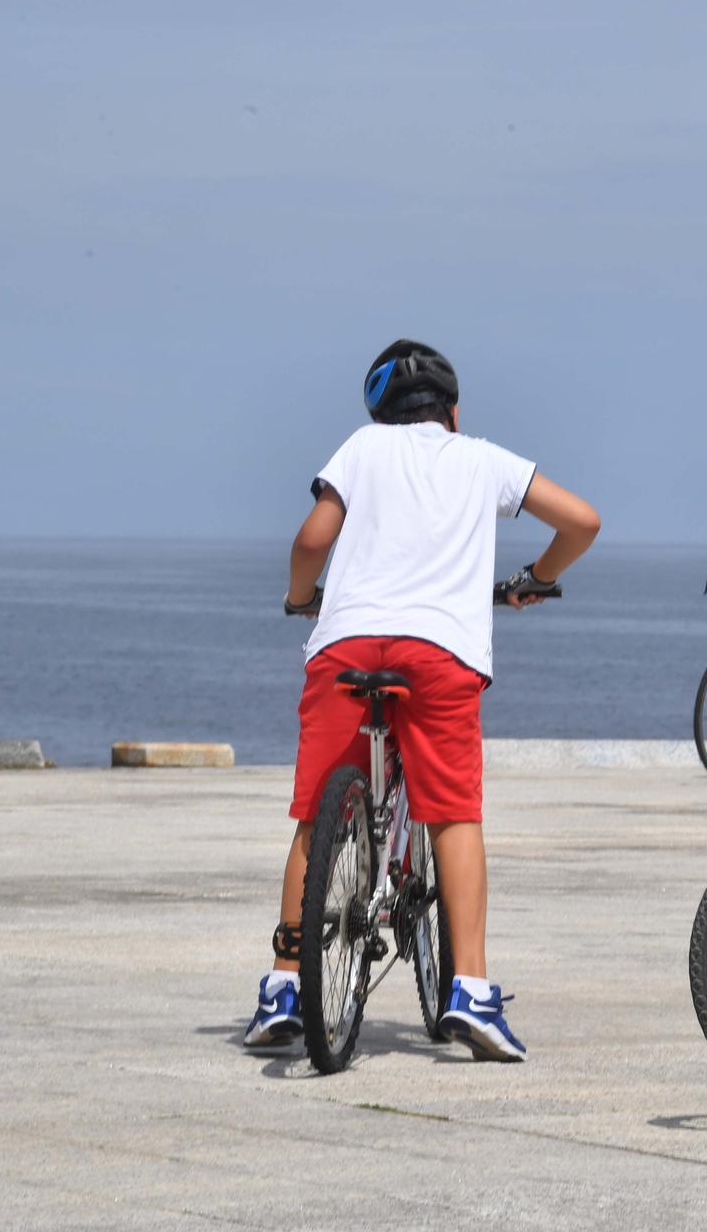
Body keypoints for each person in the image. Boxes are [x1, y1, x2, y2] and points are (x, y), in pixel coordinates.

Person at [244, 339, 601, 1063]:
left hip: (346, 645)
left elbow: (314, 536)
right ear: (454, 412)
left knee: (316, 814)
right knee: (453, 813)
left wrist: (299, 597)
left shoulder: (361, 449)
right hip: (440, 652)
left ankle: (285, 985)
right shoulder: (482, 459)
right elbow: (582, 521)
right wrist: (532, 577)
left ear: (380, 412)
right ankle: (469, 991)